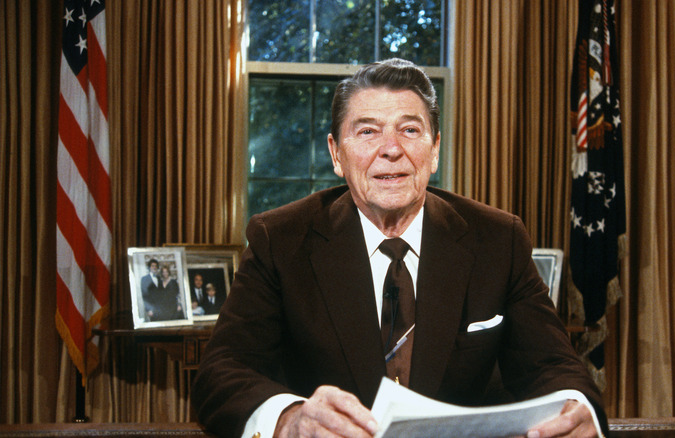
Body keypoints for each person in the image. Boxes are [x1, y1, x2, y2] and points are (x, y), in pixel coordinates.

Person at [192, 58, 607, 438]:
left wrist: (577, 408)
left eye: (409, 130)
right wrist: (289, 419)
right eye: (367, 131)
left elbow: (554, 365)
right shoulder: (280, 240)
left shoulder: (498, 239)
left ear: (435, 150)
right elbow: (221, 372)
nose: (391, 149)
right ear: (337, 154)